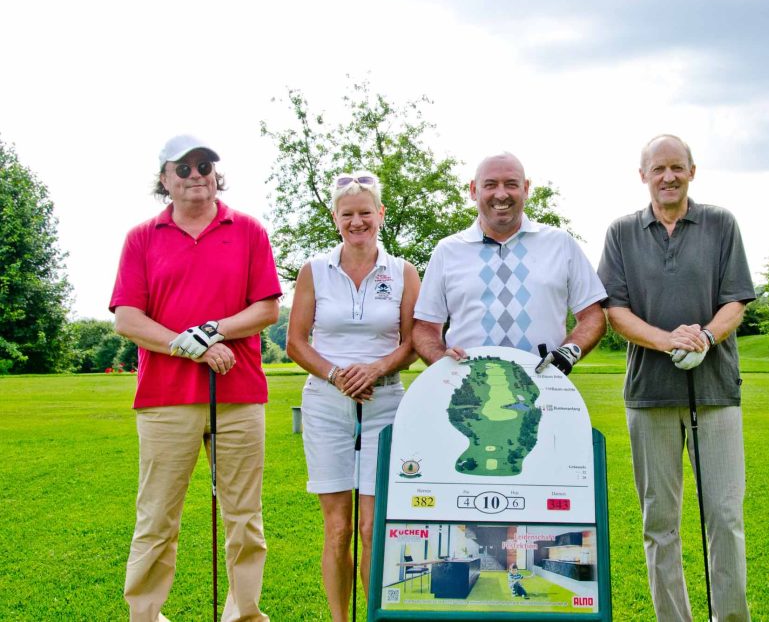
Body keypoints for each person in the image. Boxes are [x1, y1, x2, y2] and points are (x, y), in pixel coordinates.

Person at [111, 134, 281, 622]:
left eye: (204, 166)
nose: (195, 176)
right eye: (182, 169)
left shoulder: (248, 230)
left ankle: (243, 615)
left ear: (215, 174)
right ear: (164, 179)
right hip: (164, 398)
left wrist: (211, 331)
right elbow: (127, 319)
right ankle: (145, 616)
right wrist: (188, 346)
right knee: (156, 518)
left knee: (245, 519)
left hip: (239, 394)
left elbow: (266, 308)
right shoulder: (142, 237)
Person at [597, 134, 755, 622]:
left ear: (692, 171)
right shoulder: (621, 232)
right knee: (659, 522)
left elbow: (736, 302)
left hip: (715, 391)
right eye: (658, 169)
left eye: (677, 167)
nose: (668, 177)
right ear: (643, 175)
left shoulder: (720, 223)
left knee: (724, 517)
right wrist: (669, 341)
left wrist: (703, 338)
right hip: (649, 394)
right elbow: (615, 312)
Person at [286, 171, 420, 622]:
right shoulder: (314, 270)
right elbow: (296, 343)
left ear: (380, 214)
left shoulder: (403, 272)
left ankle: (375, 617)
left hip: (385, 404)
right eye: (347, 215)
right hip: (326, 405)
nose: (357, 222)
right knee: (339, 528)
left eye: (365, 212)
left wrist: (376, 369)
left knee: (371, 527)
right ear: (335, 218)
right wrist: (336, 374)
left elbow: (413, 342)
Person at [412, 152, 606, 372]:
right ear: (474, 190)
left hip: (545, 387)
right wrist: (440, 360)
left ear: (526, 188)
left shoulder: (560, 243)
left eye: (511, 184)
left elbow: (593, 316)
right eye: (490, 185)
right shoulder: (447, 250)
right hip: (466, 385)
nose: (501, 194)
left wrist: (569, 352)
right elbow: (424, 327)